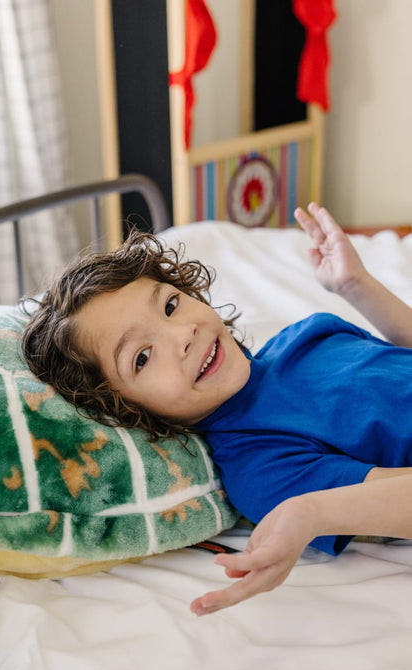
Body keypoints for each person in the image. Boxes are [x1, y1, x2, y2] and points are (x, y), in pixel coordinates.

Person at [22, 203, 412, 616]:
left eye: (171, 306)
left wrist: (355, 286)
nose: (183, 334)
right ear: (126, 412)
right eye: (142, 357)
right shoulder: (257, 463)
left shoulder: (304, 334)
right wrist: (311, 510)